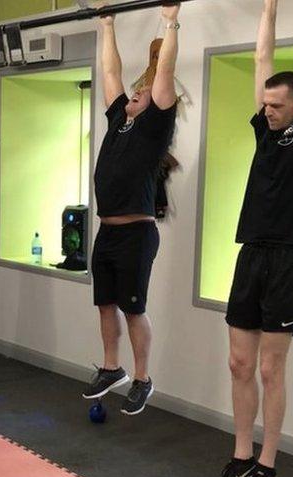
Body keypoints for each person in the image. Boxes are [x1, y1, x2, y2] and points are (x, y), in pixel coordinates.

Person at [207, 0, 293, 477]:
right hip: (251, 253)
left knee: (270, 371)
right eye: (265, 104)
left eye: (276, 105)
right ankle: (240, 457)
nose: (266, 110)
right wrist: (269, 7)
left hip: (287, 259)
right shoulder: (264, 126)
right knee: (239, 362)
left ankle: (267, 466)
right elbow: (263, 56)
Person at [81, 2, 180, 416]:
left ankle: (142, 378)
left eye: (145, 90)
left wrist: (169, 21)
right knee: (105, 302)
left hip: (136, 234)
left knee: (133, 307)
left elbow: (166, 73)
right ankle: (111, 367)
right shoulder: (117, 120)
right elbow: (109, 73)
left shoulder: (154, 127)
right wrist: (107, 23)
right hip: (106, 232)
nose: (136, 92)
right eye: (135, 90)